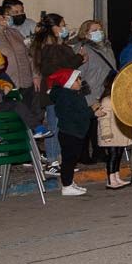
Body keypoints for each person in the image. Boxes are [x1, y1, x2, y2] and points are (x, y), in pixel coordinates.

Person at [32, 14, 86, 176]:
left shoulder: (58, 45)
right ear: (53, 27)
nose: (65, 28)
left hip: (62, 91)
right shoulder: (48, 47)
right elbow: (55, 69)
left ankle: (61, 160)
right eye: (62, 25)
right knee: (54, 126)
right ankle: (52, 161)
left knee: (61, 126)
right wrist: (79, 58)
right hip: (53, 92)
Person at [0, 6, 43, 135]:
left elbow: (29, 55)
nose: (11, 18)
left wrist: (35, 75)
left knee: (29, 114)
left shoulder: (14, 33)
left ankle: (30, 149)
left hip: (26, 81)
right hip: (8, 82)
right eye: (8, 15)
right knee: (11, 121)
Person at [74, 20, 118, 164]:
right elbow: (79, 74)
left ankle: (99, 152)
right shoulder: (82, 49)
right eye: (94, 30)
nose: (99, 32)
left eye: (100, 29)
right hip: (89, 91)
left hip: (104, 90)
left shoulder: (107, 47)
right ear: (85, 33)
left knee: (98, 124)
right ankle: (83, 154)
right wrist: (88, 96)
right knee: (86, 124)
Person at [46, 68, 91, 196]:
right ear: (69, 82)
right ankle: (66, 186)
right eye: (77, 79)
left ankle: (70, 182)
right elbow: (74, 114)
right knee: (68, 160)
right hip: (70, 132)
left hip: (75, 132)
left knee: (72, 159)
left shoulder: (73, 94)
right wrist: (92, 111)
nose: (80, 82)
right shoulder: (66, 96)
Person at [94, 74, 132, 189]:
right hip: (111, 134)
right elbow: (103, 119)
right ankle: (111, 180)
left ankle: (116, 177)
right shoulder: (107, 100)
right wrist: (106, 134)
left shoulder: (119, 98)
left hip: (119, 133)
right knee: (113, 155)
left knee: (118, 154)